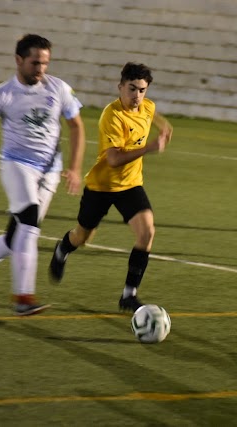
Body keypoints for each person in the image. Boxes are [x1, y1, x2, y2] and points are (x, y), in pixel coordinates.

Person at [0, 34, 85, 316]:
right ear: (18, 60)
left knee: (16, 240)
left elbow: (76, 127)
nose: (41, 69)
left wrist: (74, 167)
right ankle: (23, 297)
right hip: (16, 165)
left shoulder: (59, 89)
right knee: (29, 224)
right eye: (35, 63)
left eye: (45, 63)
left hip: (49, 170)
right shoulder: (2, 94)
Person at [49, 62, 173, 313]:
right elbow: (114, 159)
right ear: (120, 87)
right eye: (132, 89)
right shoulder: (112, 115)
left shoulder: (146, 106)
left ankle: (129, 295)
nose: (137, 96)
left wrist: (164, 127)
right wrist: (150, 147)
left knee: (147, 232)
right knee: (82, 237)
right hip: (101, 186)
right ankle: (64, 247)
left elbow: (151, 113)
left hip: (130, 185)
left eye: (142, 90)